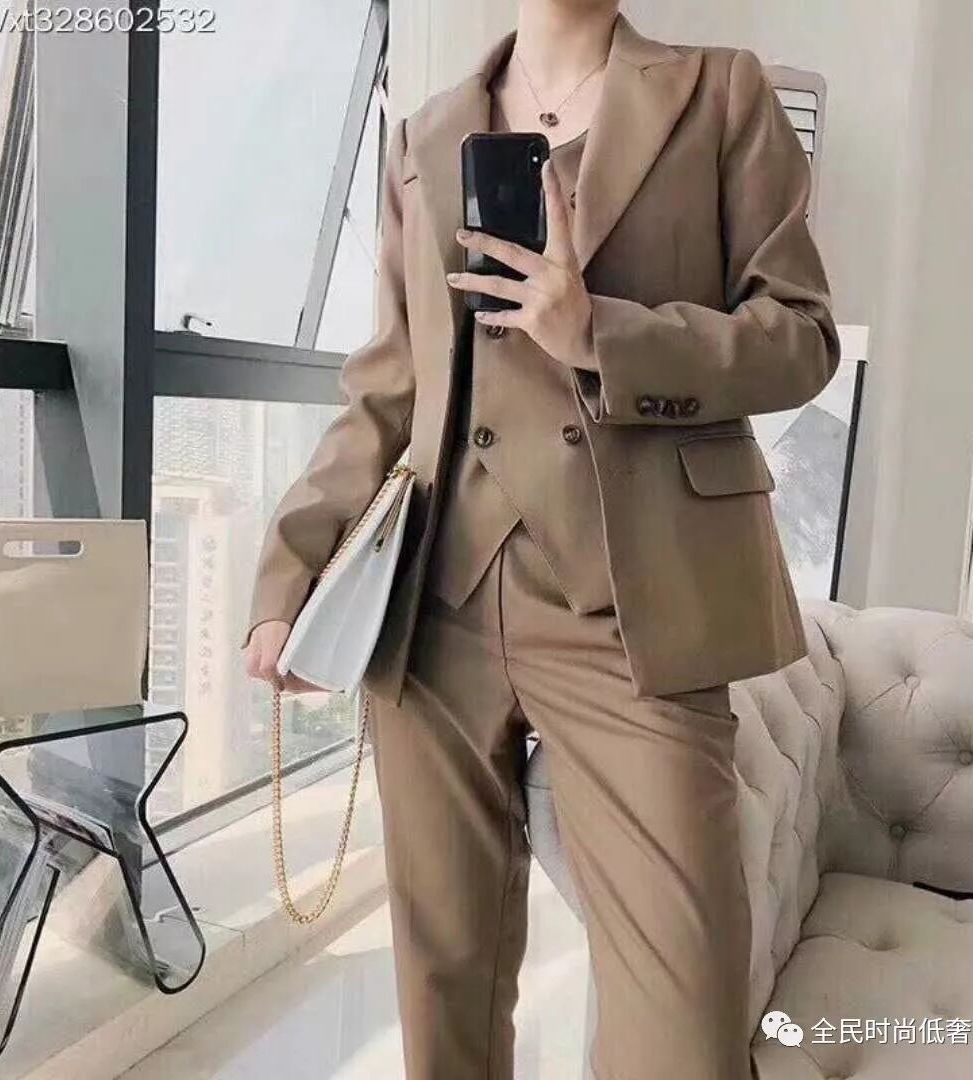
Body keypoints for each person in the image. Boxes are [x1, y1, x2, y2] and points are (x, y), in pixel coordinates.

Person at [243, 2, 840, 1077]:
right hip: (438, 605)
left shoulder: (720, 93)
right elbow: (388, 385)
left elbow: (801, 339)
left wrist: (600, 332)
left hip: (637, 600)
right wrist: (292, 573)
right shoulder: (427, 133)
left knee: (683, 1028)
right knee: (445, 994)